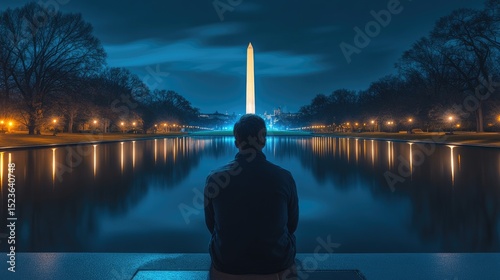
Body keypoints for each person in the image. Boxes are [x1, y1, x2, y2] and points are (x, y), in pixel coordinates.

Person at [204, 114, 299, 279]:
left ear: (236, 141)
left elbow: (211, 224)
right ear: (263, 140)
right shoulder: (284, 177)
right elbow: (292, 225)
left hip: (227, 262)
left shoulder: (215, 178)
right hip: (276, 261)